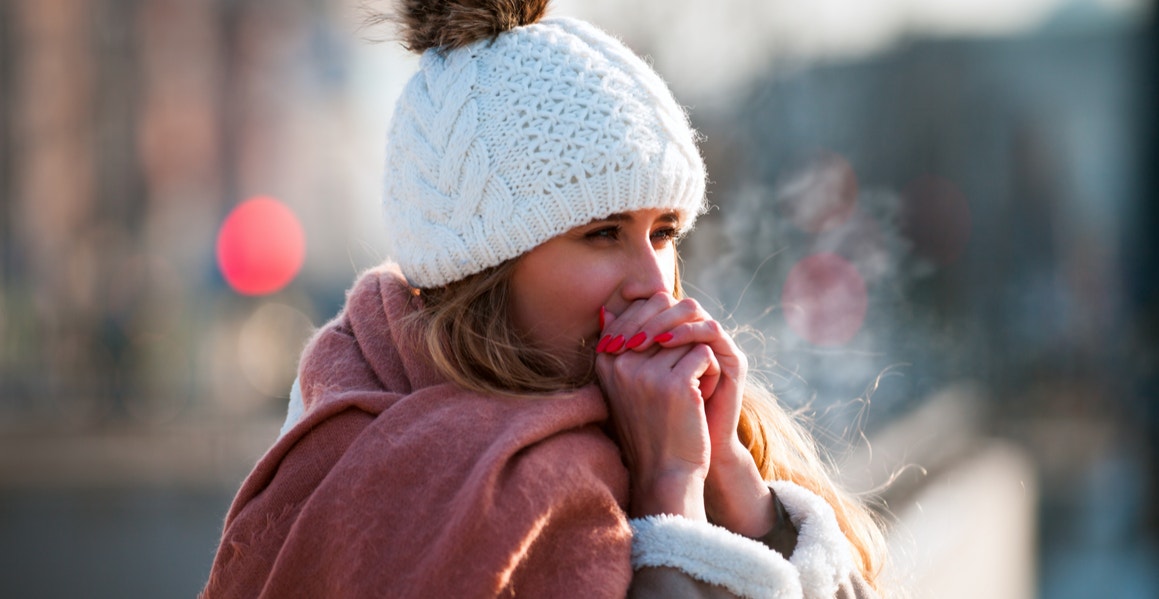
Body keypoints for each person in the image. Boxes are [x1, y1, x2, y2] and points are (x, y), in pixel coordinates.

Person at [202, 1, 888, 597]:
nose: (652, 280)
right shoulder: (377, 466)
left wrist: (740, 491)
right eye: (602, 233)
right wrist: (670, 502)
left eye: (664, 231)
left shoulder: (696, 426)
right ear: (484, 273)